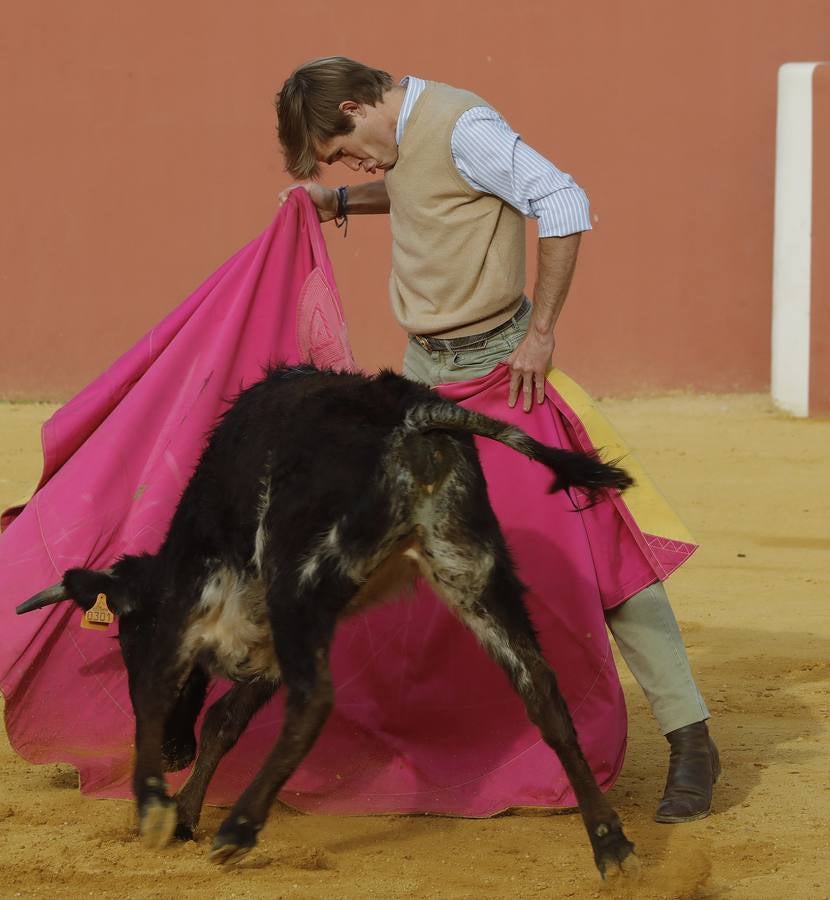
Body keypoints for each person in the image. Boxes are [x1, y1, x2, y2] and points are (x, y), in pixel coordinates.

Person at [274, 57, 718, 823]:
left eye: (344, 151)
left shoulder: (464, 126)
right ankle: (424, 742)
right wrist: (340, 198)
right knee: (392, 552)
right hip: (421, 382)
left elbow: (562, 198)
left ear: (354, 106)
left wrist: (541, 333)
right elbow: (423, 195)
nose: (353, 164)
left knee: (596, 549)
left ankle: (690, 739)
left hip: (504, 377)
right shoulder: (405, 142)